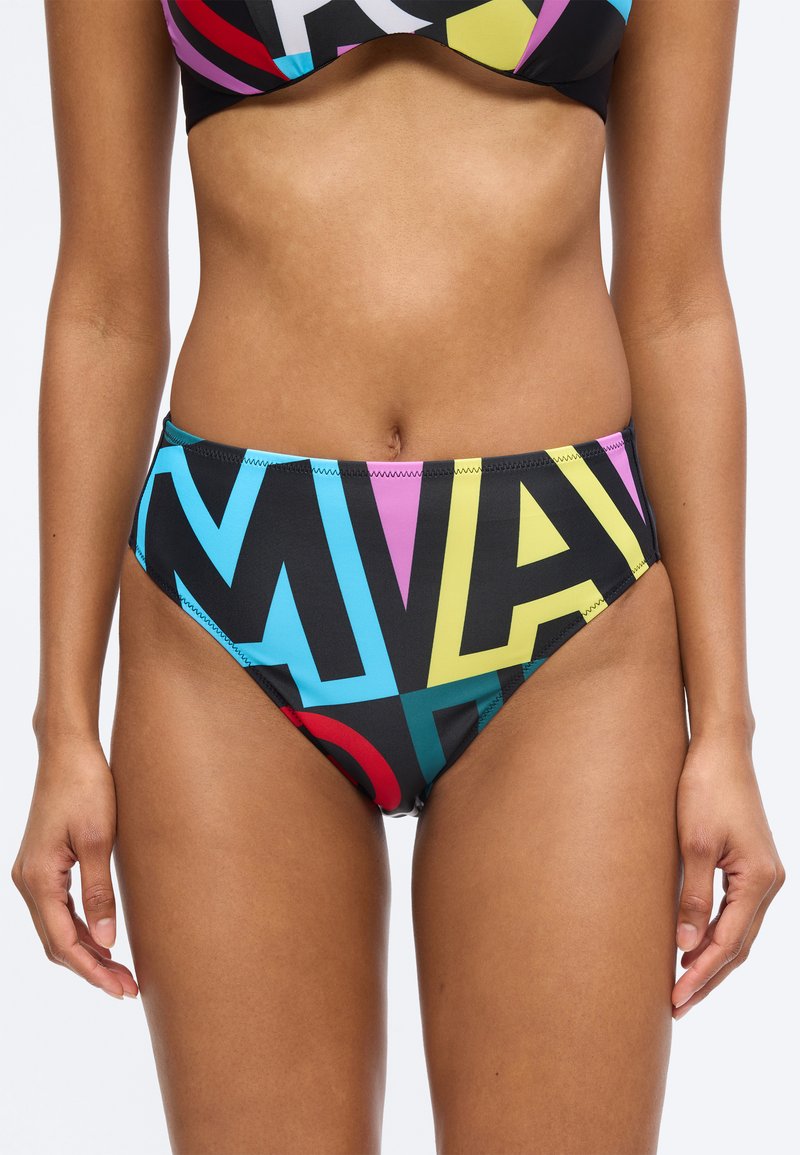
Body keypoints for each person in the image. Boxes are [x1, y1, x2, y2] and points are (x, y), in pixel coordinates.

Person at [11, 2, 785, 1152]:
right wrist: (62, 724)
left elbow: (675, 304)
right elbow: (104, 309)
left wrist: (725, 725)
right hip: (232, 592)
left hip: (562, 601)